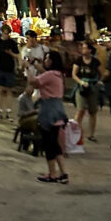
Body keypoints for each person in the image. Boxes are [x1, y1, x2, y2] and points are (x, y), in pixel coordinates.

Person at [33, 50, 69, 184]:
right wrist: (36, 65)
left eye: (47, 58)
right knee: (55, 144)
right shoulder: (58, 74)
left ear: (52, 61)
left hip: (48, 111)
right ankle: (63, 172)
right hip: (58, 110)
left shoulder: (49, 75)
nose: (45, 60)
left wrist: (27, 67)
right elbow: (44, 75)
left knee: (49, 144)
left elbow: (34, 82)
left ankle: (52, 174)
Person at [72, 39, 101, 142]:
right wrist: (81, 82)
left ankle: (91, 134)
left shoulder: (95, 62)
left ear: (89, 50)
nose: (83, 50)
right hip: (81, 88)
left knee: (93, 111)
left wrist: (98, 82)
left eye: (85, 48)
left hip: (92, 88)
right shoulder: (78, 61)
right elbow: (74, 74)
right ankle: (76, 133)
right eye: (82, 48)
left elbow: (100, 73)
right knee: (80, 110)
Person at [0, 24, 21, 120]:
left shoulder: (12, 43)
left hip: (9, 68)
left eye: (8, 34)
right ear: (2, 32)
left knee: (9, 90)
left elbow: (17, 55)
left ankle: (8, 111)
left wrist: (11, 53)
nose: (6, 35)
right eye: (5, 34)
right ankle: (0, 110)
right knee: (0, 89)